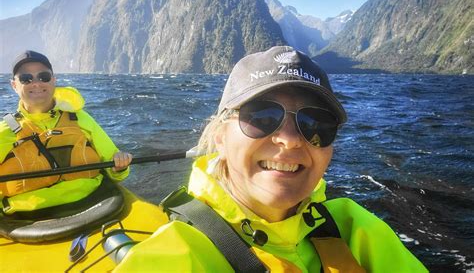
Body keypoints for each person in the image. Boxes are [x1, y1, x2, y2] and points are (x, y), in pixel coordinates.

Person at [114, 46, 427, 272]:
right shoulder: (174, 256)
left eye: (316, 124)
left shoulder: (356, 228)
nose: (289, 139)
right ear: (221, 138)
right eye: (262, 117)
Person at [0, 50, 132, 214]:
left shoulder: (80, 118)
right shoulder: (5, 131)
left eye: (44, 77)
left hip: (94, 202)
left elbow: (117, 172)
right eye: (26, 79)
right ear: (14, 85)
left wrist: (120, 165)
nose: (36, 83)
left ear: (53, 81)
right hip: (26, 217)